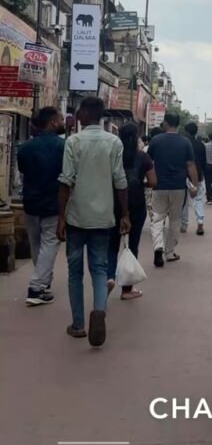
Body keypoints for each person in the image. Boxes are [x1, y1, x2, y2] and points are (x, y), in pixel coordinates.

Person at [57, 96, 129, 347]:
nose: (76, 116)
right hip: (103, 218)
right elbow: (120, 182)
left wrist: (61, 219)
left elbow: (66, 181)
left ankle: (77, 325)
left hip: (76, 217)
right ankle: (99, 310)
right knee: (99, 269)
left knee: (74, 272)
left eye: (78, 112)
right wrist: (125, 215)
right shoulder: (114, 142)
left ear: (86, 114)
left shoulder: (73, 142)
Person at [17, 106, 66, 307]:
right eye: (61, 119)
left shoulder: (25, 147)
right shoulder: (62, 147)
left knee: (37, 246)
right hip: (53, 205)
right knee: (49, 247)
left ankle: (43, 285)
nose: (63, 121)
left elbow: (22, 171)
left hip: (30, 203)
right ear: (53, 122)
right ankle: (36, 288)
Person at [107, 123, 156, 300]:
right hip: (136, 204)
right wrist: (140, 183)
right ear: (136, 138)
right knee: (132, 245)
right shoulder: (143, 157)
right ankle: (127, 289)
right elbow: (153, 182)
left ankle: (109, 277)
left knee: (111, 244)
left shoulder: (112, 154)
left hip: (113, 203)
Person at [148, 112, 198, 267]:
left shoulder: (155, 140)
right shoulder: (185, 143)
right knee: (175, 220)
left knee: (157, 218)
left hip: (159, 186)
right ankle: (169, 252)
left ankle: (158, 246)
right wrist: (194, 186)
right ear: (178, 125)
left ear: (165, 123)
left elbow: (149, 163)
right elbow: (190, 165)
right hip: (178, 186)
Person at [181, 121, 207, 236]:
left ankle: (184, 224)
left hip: (183, 176)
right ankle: (200, 222)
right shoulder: (201, 144)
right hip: (197, 176)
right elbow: (203, 162)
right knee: (198, 200)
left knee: (184, 201)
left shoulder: (182, 143)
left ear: (186, 131)